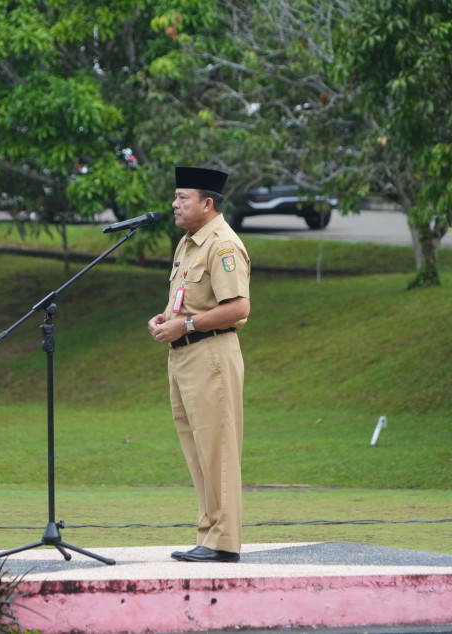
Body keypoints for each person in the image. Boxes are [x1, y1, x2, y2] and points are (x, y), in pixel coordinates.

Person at [147, 166, 251, 563]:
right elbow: (183, 300)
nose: (174, 204)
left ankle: (223, 542)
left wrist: (185, 324)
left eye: (182, 197)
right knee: (197, 449)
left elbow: (239, 307)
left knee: (217, 449)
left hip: (212, 355)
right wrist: (163, 320)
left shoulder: (222, 245)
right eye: (175, 198)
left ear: (207, 204)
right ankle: (208, 533)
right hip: (184, 355)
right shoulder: (188, 243)